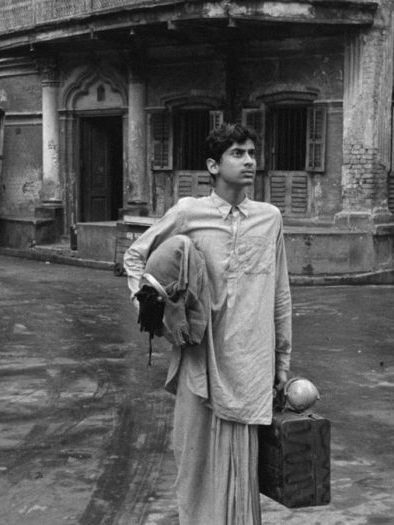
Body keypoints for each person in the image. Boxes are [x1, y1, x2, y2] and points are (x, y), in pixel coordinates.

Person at [123, 122, 292, 524]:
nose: (249, 161)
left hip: (250, 363)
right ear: (213, 165)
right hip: (200, 359)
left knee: (240, 477)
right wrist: (156, 310)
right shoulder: (188, 213)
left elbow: (280, 294)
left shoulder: (269, 219)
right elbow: (135, 257)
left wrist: (282, 362)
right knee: (196, 467)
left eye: (251, 153)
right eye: (237, 153)